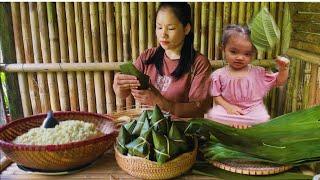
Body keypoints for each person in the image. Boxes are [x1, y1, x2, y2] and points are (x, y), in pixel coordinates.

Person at [113, 2, 212, 118]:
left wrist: (161, 103)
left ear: (186, 29)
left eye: (171, 28)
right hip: (149, 128)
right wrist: (119, 86)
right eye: (159, 27)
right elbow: (124, 93)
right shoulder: (148, 56)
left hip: (181, 131)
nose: (163, 34)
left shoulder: (199, 63)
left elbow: (199, 109)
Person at [207, 25, 290, 129]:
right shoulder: (218, 74)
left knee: (263, 118)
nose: (240, 57)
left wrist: (283, 69)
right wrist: (229, 107)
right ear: (223, 48)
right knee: (214, 115)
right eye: (233, 52)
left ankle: (244, 125)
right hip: (228, 110)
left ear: (253, 54)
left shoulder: (258, 72)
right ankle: (237, 125)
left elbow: (279, 81)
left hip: (253, 110)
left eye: (247, 54)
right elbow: (216, 96)